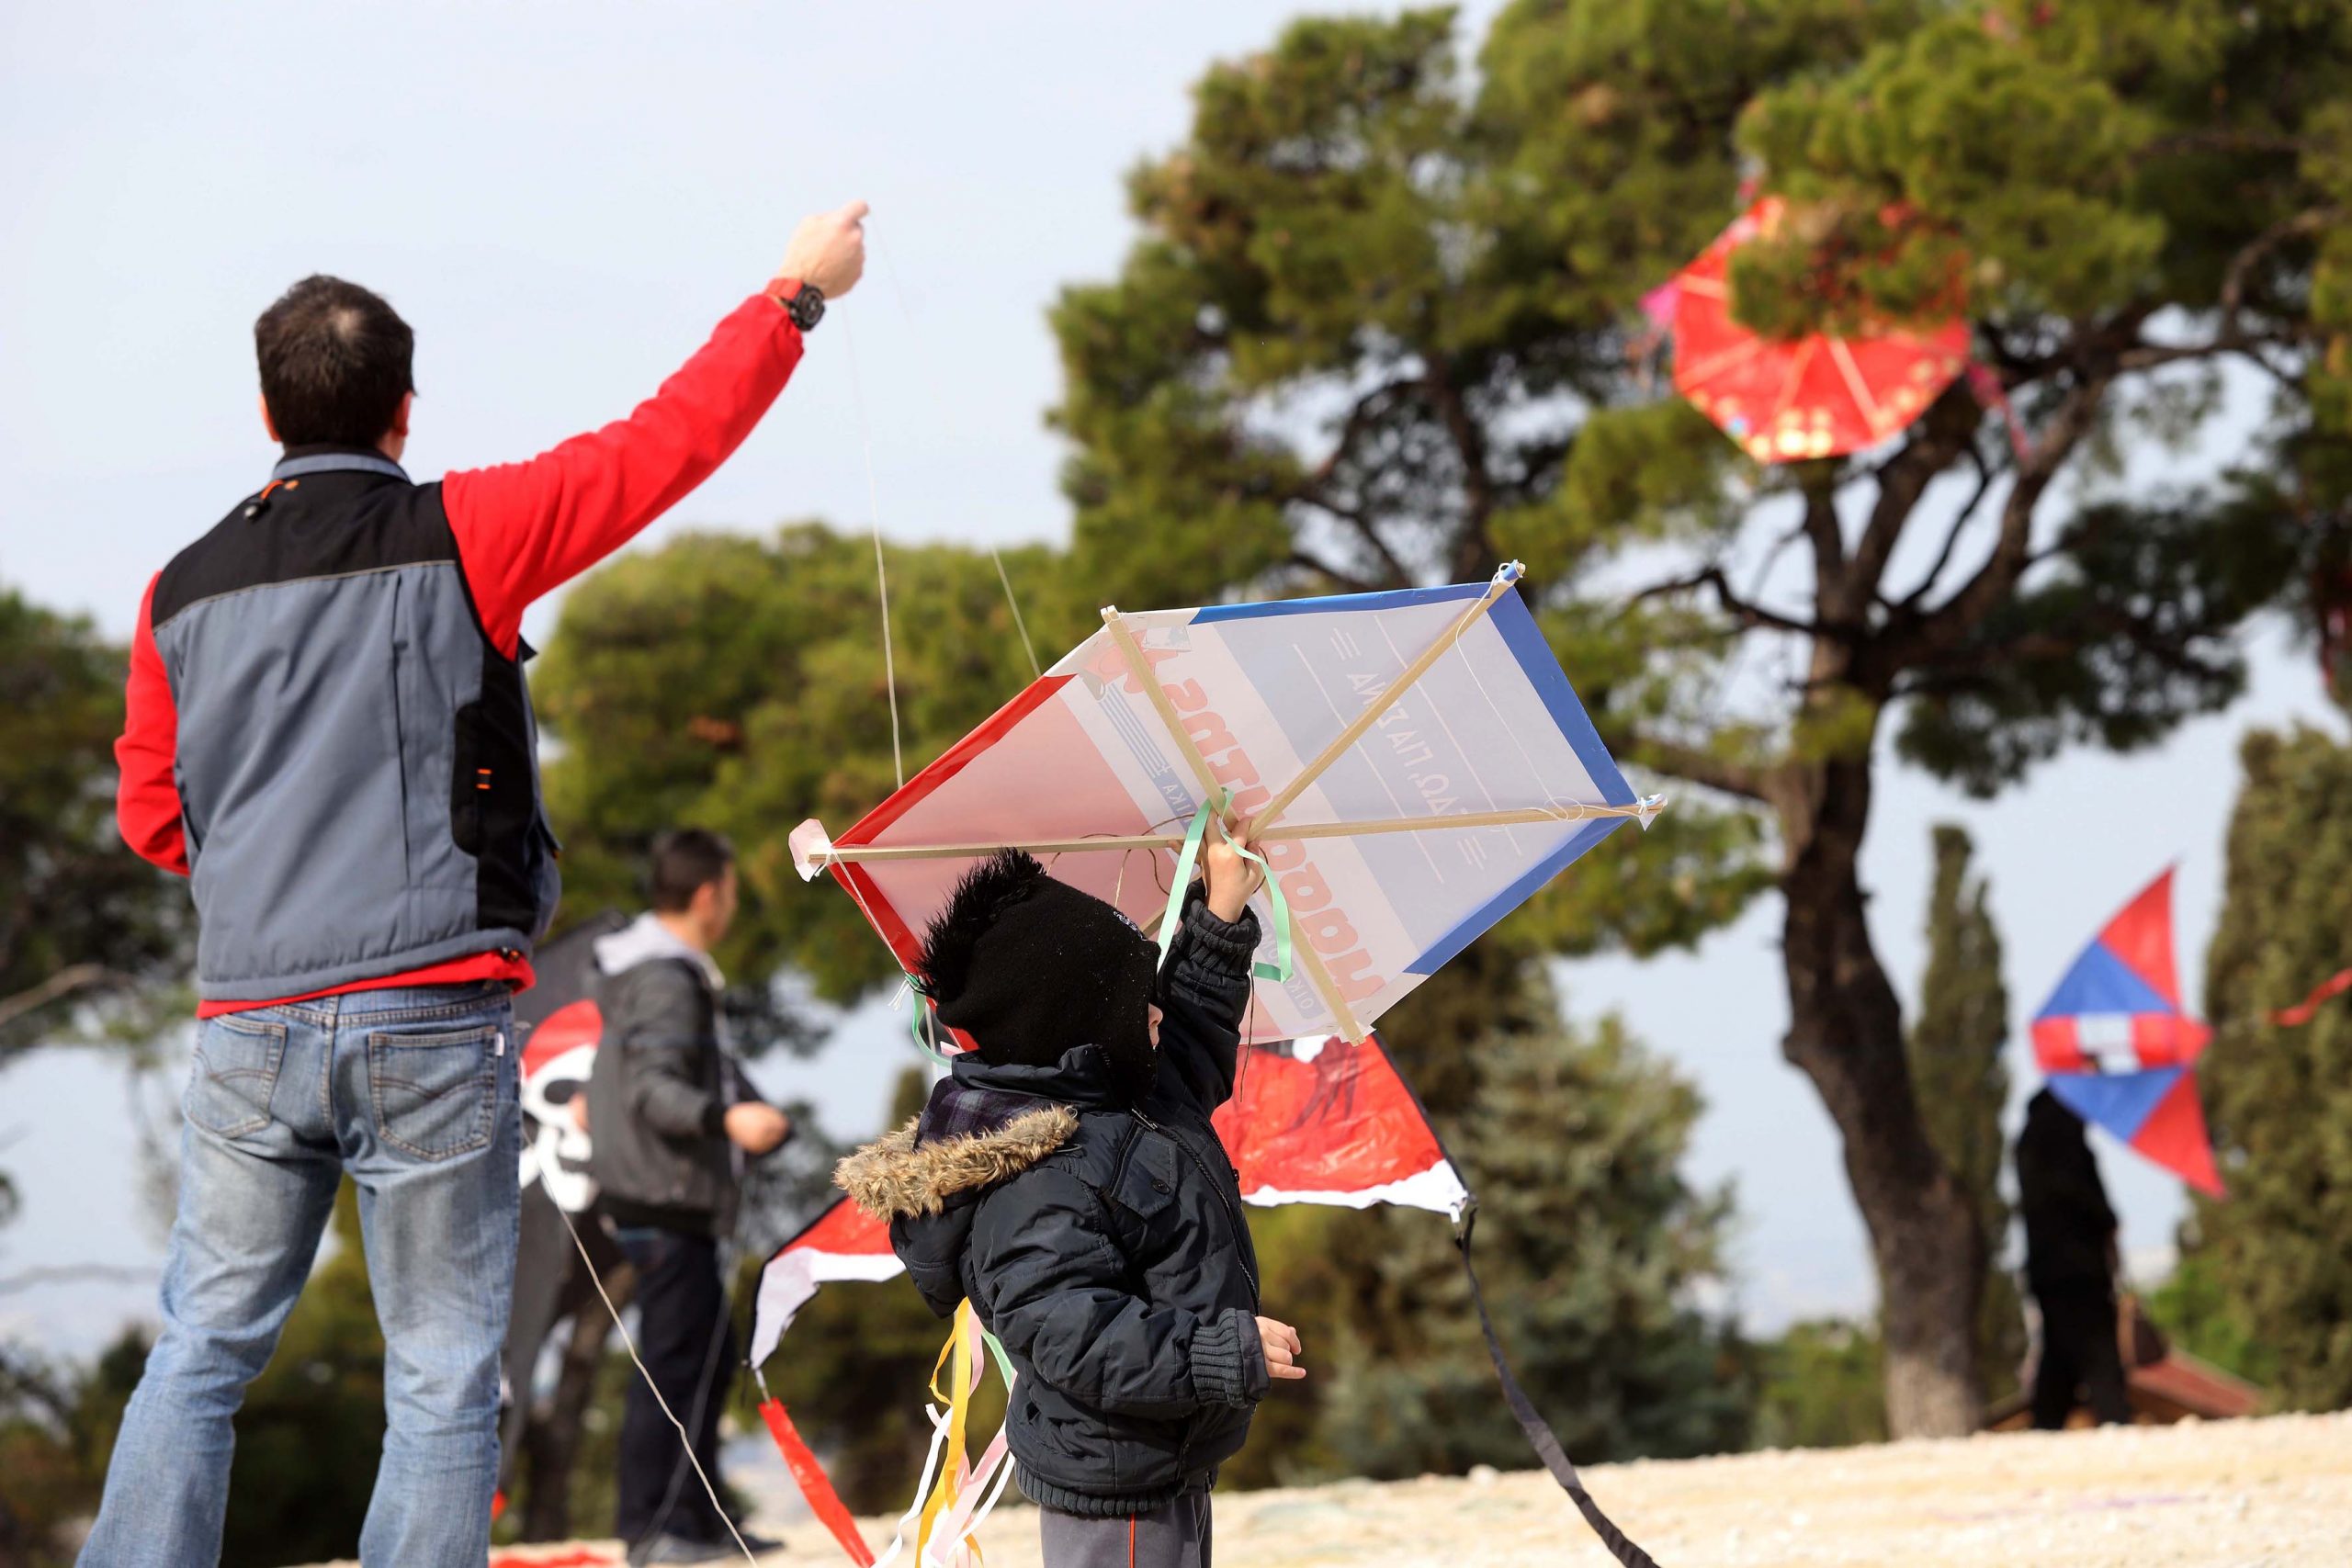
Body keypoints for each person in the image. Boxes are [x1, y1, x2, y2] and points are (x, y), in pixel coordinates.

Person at [86, 207, 867, 1568]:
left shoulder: (176, 592)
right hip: (429, 1014)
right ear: (403, 409)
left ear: (267, 409)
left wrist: (274, 864)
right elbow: (663, 445)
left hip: (246, 1023)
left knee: (204, 1346)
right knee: (444, 1371)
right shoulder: (470, 530)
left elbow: (154, 818)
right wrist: (794, 294)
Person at [838, 835, 1305, 1568]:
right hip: (1117, 1477)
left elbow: (1192, 1038)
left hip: (1165, 1450)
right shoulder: (1036, 1177)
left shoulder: (1117, 1094)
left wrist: (1219, 912)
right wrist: (1217, 1352)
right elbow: (1076, 1337)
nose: (1156, 1009)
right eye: (1135, 997)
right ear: (1080, 1026)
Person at [585, 829, 791, 1564]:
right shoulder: (668, 977)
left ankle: (700, 1523)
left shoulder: (643, 970)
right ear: (709, 894)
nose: (732, 906)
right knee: (676, 1364)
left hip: (654, 1193)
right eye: (731, 892)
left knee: (704, 1351)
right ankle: (657, 1529)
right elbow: (654, 1088)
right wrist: (726, 1118)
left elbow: (633, 1077)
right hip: (665, 1196)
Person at [2016, 1087, 2134, 1429]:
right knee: (2097, 1355)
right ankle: (2114, 1421)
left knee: (2059, 1355)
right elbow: (2081, 1199)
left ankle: (2046, 1425)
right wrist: (2107, 1220)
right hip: (2078, 1268)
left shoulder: (2029, 1140)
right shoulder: (2062, 1141)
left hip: (2047, 1269)